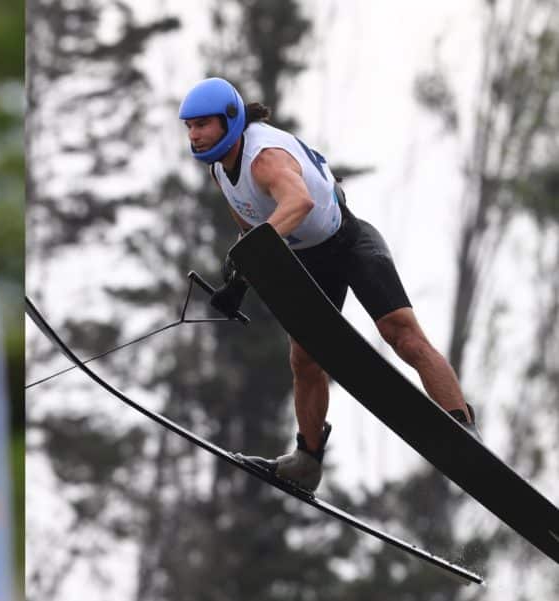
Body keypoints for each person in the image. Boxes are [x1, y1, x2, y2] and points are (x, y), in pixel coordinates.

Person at [178, 77, 479, 492]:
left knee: (402, 335)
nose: (194, 136)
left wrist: (247, 258)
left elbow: (297, 203)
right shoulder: (220, 170)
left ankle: (462, 428)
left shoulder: (264, 158)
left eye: (202, 125)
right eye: (189, 127)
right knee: (304, 359)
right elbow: (252, 231)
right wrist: (240, 282)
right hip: (309, 260)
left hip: (350, 243)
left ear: (229, 119)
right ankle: (307, 461)